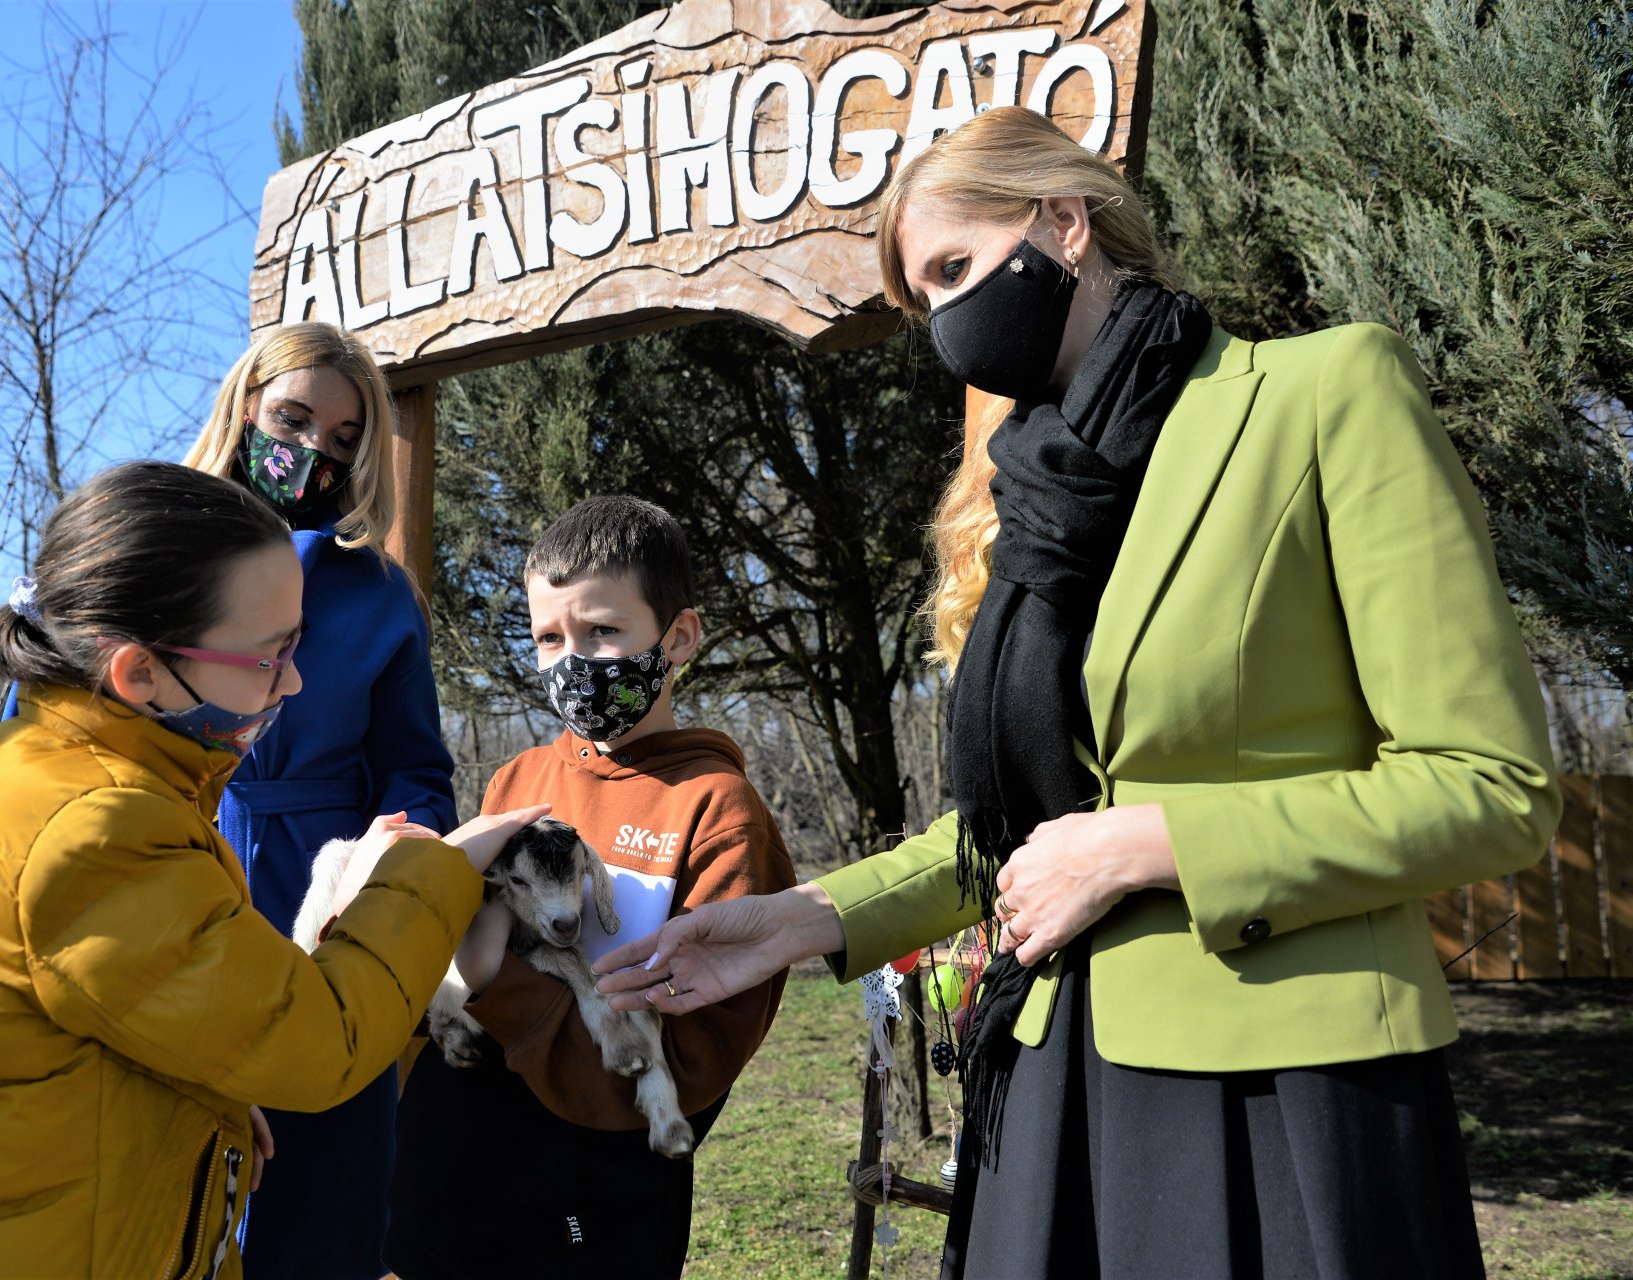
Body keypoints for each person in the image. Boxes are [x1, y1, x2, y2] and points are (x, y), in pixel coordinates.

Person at [596, 106, 1560, 1278]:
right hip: (1048, 1076)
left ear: (1063, 222)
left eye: (955, 269)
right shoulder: (1027, 494)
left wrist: (1151, 844)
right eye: (922, 300)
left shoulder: (1322, 395)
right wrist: (802, 920)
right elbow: (1027, 830)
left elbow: (1492, 787)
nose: (948, 321)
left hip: (1283, 1081)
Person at [0, 460, 547, 1279]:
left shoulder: (26, 757)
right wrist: (434, 872)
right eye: (269, 656)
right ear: (140, 672)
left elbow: (93, 1017)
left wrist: (193, 1102)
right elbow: (320, 1039)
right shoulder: (101, 833)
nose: (293, 679)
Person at [384, 496, 797, 1280]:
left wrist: (501, 985)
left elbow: (702, 1056)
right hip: (448, 1173)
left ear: (677, 638)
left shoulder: (717, 811)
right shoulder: (522, 779)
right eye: (549, 637)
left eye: (603, 631)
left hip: (595, 1203)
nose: (573, 662)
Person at [180, 322, 458, 1279]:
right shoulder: (148, 543)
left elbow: (418, 774)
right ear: (245, 406)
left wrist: (392, 867)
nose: (315, 452)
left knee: (324, 1207)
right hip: (168, 887)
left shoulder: (378, 595)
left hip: (325, 910)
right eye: (294, 418)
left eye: (344, 439)